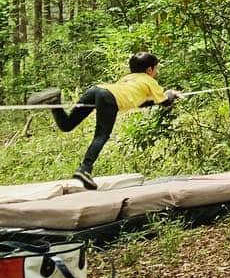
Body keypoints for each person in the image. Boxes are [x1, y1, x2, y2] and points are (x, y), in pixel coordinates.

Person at [27, 52, 180, 189]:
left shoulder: (128, 78)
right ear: (149, 70)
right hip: (109, 97)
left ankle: (54, 102)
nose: (157, 72)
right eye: (156, 68)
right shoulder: (149, 81)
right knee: (101, 135)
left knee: (67, 125)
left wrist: (160, 98)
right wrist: (171, 93)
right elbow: (165, 102)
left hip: (97, 90)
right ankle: (84, 169)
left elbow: (141, 102)